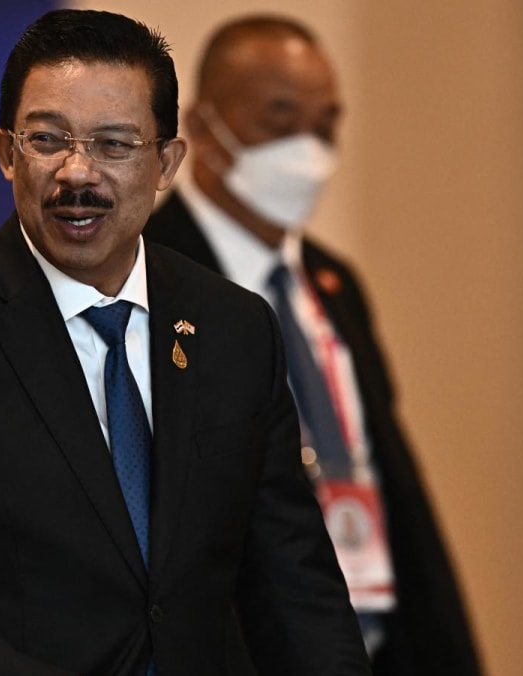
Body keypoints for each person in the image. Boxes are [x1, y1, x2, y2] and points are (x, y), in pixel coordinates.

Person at [0, 9, 370, 676]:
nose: (77, 173)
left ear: (166, 162)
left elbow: (296, 584)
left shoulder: (234, 329)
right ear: (6, 153)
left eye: (113, 144)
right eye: (47, 140)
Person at [143, 15, 483, 676]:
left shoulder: (334, 284)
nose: (308, 148)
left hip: (369, 641)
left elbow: (387, 476)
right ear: (204, 129)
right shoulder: (151, 278)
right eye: (280, 119)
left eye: (325, 124)